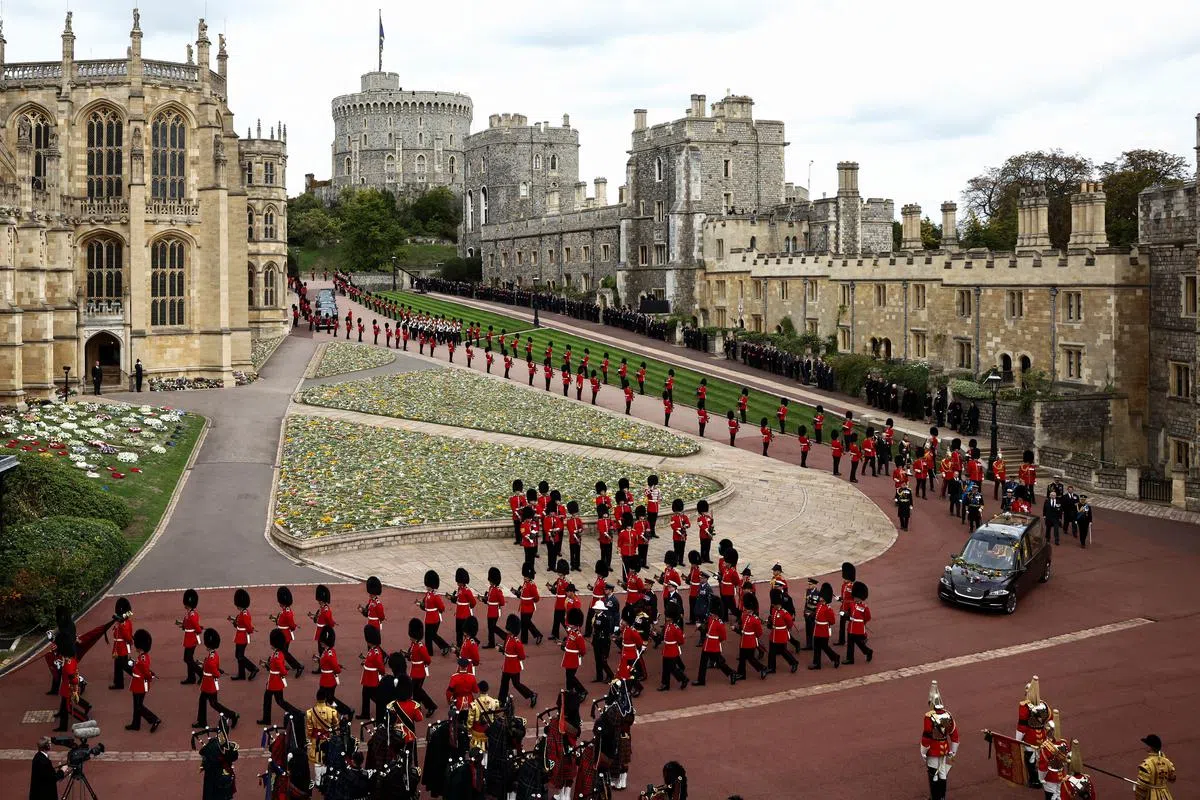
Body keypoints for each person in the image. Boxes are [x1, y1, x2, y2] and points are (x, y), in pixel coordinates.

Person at [921, 680, 959, 800]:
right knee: (942, 772)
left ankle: (935, 798)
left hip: (933, 749)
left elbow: (927, 735)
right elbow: (954, 735)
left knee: (933, 773)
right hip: (945, 748)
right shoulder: (948, 715)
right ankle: (942, 797)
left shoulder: (929, 716)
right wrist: (953, 751)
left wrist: (923, 751)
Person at [194, 627, 239, 729]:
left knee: (214, 704)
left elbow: (216, 673)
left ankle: (232, 715)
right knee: (204, 701)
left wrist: (211, 670)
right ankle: (202, 721)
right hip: (207, 683)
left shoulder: (211, 658)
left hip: (209, 684)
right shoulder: (214, 654)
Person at [1017, 676, 1054, 788]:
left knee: (1031, 759)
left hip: (1030, 737)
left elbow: (1022, 726)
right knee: (1041, 757)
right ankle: (1042, 777)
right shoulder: (1044, 705)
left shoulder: (1024, 706)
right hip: (1042, 735)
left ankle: (1034, 780)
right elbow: (1051, 721)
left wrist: (1018, 740)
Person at [695, 597, 738, 685]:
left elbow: (723, 637)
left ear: (716, 613)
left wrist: (715, 641)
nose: (711, 614)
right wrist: (700, 627)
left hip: (713, 646)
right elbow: (707, 629)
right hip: (707, 644)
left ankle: (731, 673)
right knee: (703, 662)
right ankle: (701, 680)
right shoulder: (711, 619)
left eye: (712, 613)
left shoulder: (720, 623)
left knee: (719, 663)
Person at [127, 628, 162, 732]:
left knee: (139, 706)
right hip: (137, 683)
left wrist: (149, 676)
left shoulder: (142, 659)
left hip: (140, 684)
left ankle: (154, 719)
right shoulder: (142, 657)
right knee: (137, 705)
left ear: (140, 647)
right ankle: (135, 724)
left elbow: (145, 672)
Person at [499, 614, 537, 707]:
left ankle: (532, 694)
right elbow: (506, 649)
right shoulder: (508, 637)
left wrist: (512, 656)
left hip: (514, 666)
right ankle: (501, 700)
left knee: (516, 684)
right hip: (507, 664)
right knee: (504, 682)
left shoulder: (517, 642)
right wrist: (501, 649)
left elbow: (522, 656)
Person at [406, 619, 437, 717]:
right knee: (416, 690)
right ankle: (417, 708)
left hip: (420, 672)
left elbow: (428, 660)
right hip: (415, 670)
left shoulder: (420, 646)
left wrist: (422, 665)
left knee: (417, 690)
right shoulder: (414, 644)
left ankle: (431, 706)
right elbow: (412, 655)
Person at [736, 593, 768, 680]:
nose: (746, 609)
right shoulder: (744, 615)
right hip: (743, 640)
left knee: (750, 659)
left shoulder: (755, 620)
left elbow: (759, 633)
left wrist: (752, 636)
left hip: (750, 641)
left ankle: (762, 668)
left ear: (752, 609)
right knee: (742, 658)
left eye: (747, 609)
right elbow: (742, 626)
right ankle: (741, 674)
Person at [809, 583, 841, 670]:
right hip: (817, 629)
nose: (820, 597)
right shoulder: (819, 605)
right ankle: (817, 664)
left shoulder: (828, 609)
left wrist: (824, 623)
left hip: (823, 630)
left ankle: (835, 657)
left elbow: (832, 621)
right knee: (816, 647)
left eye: (822, 596)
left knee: (824, 647)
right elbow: (816, 614)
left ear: (825, 598)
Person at [1135, 733, 1176, 799]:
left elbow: (1141, 788)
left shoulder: (1147, 764)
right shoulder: (1167, 762)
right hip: (1165, 796)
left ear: (1150, 747)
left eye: (1147, 744)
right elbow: (1172, 779)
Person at [767, 589, 799, 674]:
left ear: (778, 604)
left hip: (781, 634)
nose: (773, 605)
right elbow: (773, 619)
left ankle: (794, 662)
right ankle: (771, 668)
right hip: (774, 634)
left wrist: (785, 629)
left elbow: (790, 623)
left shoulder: (784, 613)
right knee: (772, 651)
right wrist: (770, 623)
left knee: (783, 651)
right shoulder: (774, 610)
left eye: (774, 604)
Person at [843, 582, 873, 665]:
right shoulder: (852, 604)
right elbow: (849, 612)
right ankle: (850, 659)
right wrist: (846, 615)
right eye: (855, 597)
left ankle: (868, 651)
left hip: (858, 628)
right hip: (851, 626)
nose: (855, 598)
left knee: (859, 643)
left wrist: (862, 623)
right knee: (850, 644)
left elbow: (868, 617)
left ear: (861, 598)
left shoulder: (864, 607)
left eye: (857, 597)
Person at [178, 588, 203, 685]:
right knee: (189, 659)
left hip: (191, 639)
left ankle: (201, 674)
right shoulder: (189, 613)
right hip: (188, 638)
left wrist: (198, 629)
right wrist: (183, 626)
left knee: (187, 659)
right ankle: (191, 677)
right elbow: (189, 625)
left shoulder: (192, 614)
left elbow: (197, 628)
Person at [561, 607, 588, 697]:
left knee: (571, 676)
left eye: (571, 623)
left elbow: (583, 650)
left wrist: (578, 655)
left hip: (573, 658)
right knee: (568, 675)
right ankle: (570, 690)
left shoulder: (578, 635)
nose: (569, 624)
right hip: (568, 657)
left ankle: (582, 691)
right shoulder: (572, 632)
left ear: (576, 624)